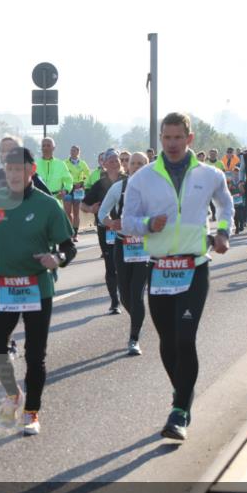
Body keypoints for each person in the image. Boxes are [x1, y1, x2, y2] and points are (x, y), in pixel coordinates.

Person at [122, 112, 233, 441]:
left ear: (190, 138)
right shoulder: (142, 178)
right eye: (166, 138)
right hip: (159, 269)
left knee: (185, 338)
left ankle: (180, 410)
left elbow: (225, 206)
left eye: (177, 137)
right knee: (168, 343)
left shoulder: (209, 174)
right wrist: (146, 226)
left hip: (194, 268)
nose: (171, 144)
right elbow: (127, 221)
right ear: (160, 139)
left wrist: (223, 233)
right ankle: (182, 392)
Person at [0, 146, 76, 436]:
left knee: (35, 354)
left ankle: (31, 412)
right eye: (9, 169)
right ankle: (13, 393)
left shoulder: (47, 205)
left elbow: (68, 246)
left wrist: (58, 259)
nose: (14, 175)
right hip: (1, 286)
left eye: (20, 170)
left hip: (36, 286)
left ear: (31, 171)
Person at [99, 151, 150, 355]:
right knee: (125, 294)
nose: (136, 166)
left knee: (136, 294)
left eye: (140, 163)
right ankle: (137, 318)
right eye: (132, 162)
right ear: (126, 166)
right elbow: (102, 213)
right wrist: (111, 222)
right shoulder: (118, 188)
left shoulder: (155, 188)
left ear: (147, 166)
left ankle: (134, 337)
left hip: (145, 246)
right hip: (122, 244)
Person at [82, 149, 125, 314]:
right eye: (111, 160)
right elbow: (83, 205)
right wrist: (91, 208)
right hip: (106, 230)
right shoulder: (99, 185)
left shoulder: (128, 181)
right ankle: (115, 301)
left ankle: (127, 295)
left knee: (124, 264)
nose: (114, 162)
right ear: (104, 164)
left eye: (117, 159)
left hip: (126, 229)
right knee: (110, 264)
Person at [64, 144, 92, 241]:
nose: (73, 152)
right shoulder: (65, 163)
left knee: (76, 212)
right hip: (68, 188)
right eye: (71, 151)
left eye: (75, 151)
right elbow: (62, 175)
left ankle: (75, 234)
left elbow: (89, 175)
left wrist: (82, 183)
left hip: (78, 189)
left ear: (78, 152)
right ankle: (69, 232)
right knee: (67, 212)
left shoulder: (83, 163)